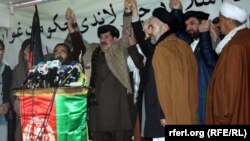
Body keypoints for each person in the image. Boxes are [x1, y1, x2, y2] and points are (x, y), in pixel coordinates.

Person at [66, 0, 135, 140]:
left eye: (107, 36)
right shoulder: (93, 51)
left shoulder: (119, 48)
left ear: (115, 39)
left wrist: (127, 12)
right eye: (101, 37)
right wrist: (73, 25)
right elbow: (81, 43)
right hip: (98, 111)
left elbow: (127, 31)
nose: (103, 39)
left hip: (118, 109)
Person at [169, 0, 218, 124]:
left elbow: (210, 61)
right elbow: (178, 32)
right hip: (189, 99)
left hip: (205, 97)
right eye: (186, 25)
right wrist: (177, 10)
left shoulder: (212, 41)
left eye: (192, 23)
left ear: (203, 24)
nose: (188, 28)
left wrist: (205, 34)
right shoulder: (188, 43)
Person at [147, 7, 198, 124]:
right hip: (190, 115)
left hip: (172, 116)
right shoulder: (185, 46)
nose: (150, 32)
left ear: (164, 27)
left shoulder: (161, 49)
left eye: (152, 27)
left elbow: (162, 87)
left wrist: (164, 115)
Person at [206, 2, 250, 124]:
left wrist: (220, 117)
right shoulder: (245, 37)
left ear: (230, 21)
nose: (219, 25)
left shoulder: (235, 47)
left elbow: (229, 91)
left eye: (220, 20)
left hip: (235, 117)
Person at [130, 1, 165, 140]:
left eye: (151, 27)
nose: (149, 30)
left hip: (163, 111)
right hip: (149, 104)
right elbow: (140, 36)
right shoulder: (153, 48)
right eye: (148, 27)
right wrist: (134, 12)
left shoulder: (166, 48)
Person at [0, 40, 13, 141]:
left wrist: (7, 104)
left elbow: (10, 90)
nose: (0, 53)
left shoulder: (7, 69)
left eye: (1, 50)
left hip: (2, 116)